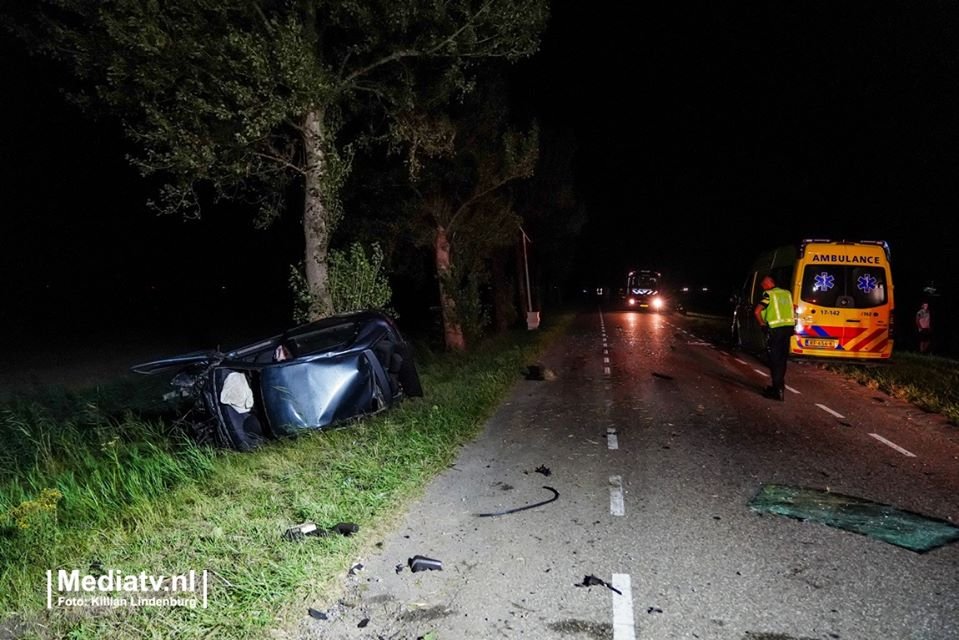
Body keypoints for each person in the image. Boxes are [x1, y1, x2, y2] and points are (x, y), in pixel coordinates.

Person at [753, 274, 796, 401]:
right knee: (782, 360)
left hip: (775, 331)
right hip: (787, 329)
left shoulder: (769, 295)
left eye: (763, 284)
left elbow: (757, 311)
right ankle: (778, 387)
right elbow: (793, 307)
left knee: (774, 360)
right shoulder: (787, 293)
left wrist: (762, 324)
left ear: (769, 283)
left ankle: (778, 391)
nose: (762, 286)